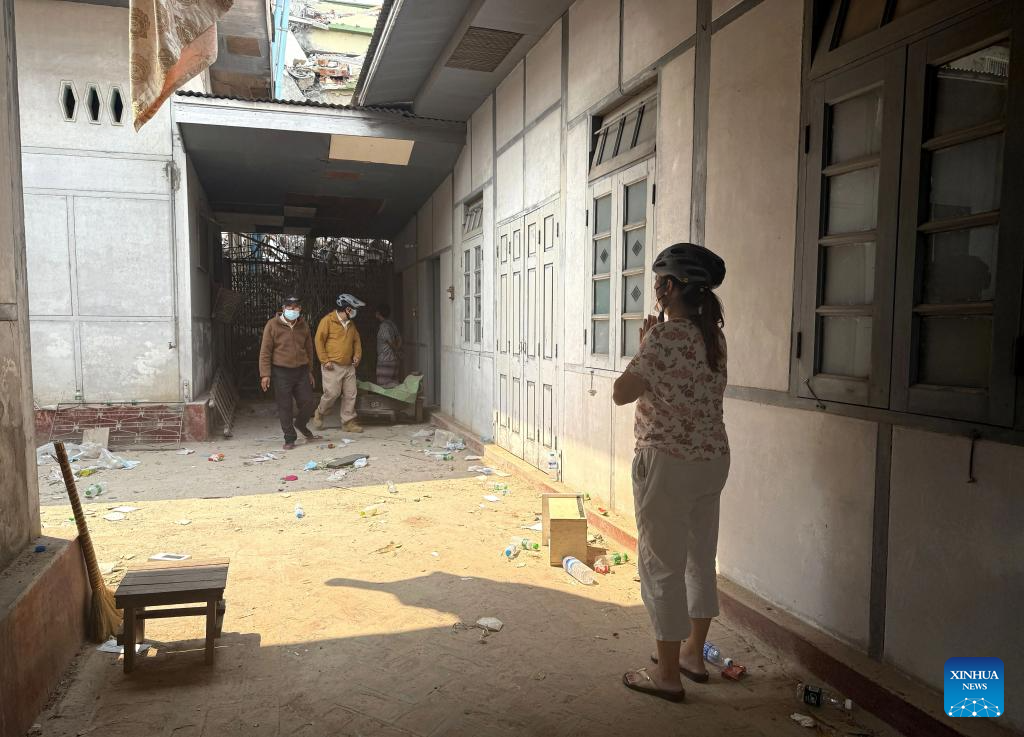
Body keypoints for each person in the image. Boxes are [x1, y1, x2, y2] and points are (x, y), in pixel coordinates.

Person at [612, 243, 730, 703]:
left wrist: (645, 346)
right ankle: (692, 655)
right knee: (700, 558)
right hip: (712, 460)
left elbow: (622, 392)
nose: (657, 288)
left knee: (661, 565)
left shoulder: (662, 338)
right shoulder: (714, 338)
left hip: (667, 463)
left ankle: (666, 675)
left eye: (661, 281)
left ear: (672, 288)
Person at [259, 295, 322, 450]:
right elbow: (265, 351)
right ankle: (289, 437)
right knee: (285, 406)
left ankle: (300, 424)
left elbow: (309, 349)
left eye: (295, 308)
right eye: (289, 307)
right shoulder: (272, 325)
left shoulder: (303, 325)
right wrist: (265, 374)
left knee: (308, 401)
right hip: (281, 371)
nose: (292, 310)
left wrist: (310, 371)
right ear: (283, 309)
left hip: (301, 370)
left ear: (300, 309)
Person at [313, 293, 365, 433]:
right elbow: (318, 341)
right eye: (354, 309)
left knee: (351, 394)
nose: (355, 312)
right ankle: (320, 412)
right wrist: (325, 360)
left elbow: (357, 341)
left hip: (348, 366)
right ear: (347, 309)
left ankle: (348, 422)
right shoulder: (327, 321)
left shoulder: (351, 324)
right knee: (332, 393)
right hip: (332, 366)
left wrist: (357, 356)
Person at [374, 304, 402, 388]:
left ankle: (401, 387)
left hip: (385, 359)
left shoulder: (384, 326)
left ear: (378, 313)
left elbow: (390, 342)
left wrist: (396, 350)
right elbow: (399, 338)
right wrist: (397, 351)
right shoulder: (392, 324)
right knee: (392, 382)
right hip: (394, 359)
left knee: (383, 385)